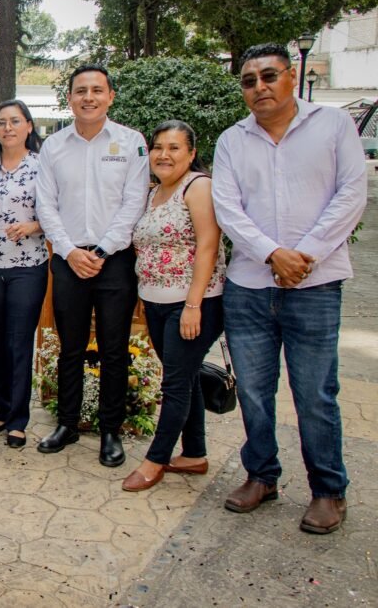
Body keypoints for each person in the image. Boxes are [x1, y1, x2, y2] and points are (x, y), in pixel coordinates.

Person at [213, 43, 367, 533]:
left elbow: (351, 193)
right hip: (249, 286)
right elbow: (228, 208)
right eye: (249, 81)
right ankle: (262, 475)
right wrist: (271, 254)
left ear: (291, 75)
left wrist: (305, 254)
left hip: (315, 285)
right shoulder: (232, 141)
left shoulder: (333, 125)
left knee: (315, 393)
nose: (259, 87)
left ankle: (328, 489)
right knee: (255, 391)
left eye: (268, 76)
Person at [34, 64, 149, 467]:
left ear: (110, 96)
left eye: (97, 90)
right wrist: (69, 251)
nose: (89, 97)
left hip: (114, 261)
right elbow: (45, 204)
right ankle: (67, 424)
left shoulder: (131, 142)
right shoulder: (54, 146)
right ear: (69, 98)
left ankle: (110, 430)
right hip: (68, 260)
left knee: (114, 349)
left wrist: (101, 251)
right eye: (80, 90)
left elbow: (134, 203)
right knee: (71, 346)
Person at [122, 121, 225, 492]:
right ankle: (194, 453)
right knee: (186, 376)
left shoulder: (198, 187)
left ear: (191, 153)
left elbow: (209, 245)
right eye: (158, 147)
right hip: (156, 301)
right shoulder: (152, 193)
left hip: (193, 303)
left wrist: (193, 304)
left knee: (176, 383)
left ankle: (156, 459)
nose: (164, 155)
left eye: (174, 147)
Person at [0, 100, 47, 449]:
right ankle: (1, 410)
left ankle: (18, 419)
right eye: (1, 122)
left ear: (28, 126)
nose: (7, 128)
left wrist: (34, 225)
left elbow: (60, 210)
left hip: (27, 266)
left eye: (15, 121)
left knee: (19, 342)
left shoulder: (43, 166)